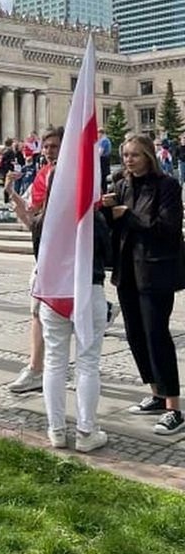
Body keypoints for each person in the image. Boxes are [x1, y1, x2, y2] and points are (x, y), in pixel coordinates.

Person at [104, 134, 185, 435]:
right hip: (127, 271)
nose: (128, 160)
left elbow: (168, 229)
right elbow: (115, 228)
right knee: (135, 335)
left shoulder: (167, 186)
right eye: (125, 155)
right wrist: (108, 213)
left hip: (156, 272)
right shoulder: (122, 185)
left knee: (156, 336)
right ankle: (156, 393)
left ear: (148, 156)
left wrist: (128, 216)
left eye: (135, 155)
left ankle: (174, 408)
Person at [36, 204, 112, 452]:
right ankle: (85, 431)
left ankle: (56, 429)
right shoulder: (93, 217)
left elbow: (39, 254)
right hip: (89, 288)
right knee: (88, 362)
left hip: (55, 291)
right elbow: (108, 254)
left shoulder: (44, 218)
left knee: (55, 361)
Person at [4, 127, 63, 393]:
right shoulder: (43, 175)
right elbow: (31, 218)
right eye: (47, 146)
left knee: (44, 313)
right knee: (37, 312)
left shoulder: (74, 173)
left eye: (55, 146)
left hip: (66, 255)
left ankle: (38, 368)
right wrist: (11, 192)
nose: (50, 151)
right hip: (46, 254)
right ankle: (37, 368)